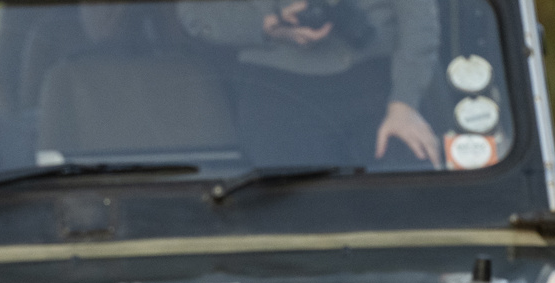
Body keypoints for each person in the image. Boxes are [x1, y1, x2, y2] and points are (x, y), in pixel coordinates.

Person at [177, 0, 441, 169]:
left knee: (410, 193)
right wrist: (265, 25)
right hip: (275, 89)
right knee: (295, 210)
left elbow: (420, 19)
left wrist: (405, 104)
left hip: (381, 84)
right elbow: (194, 12)